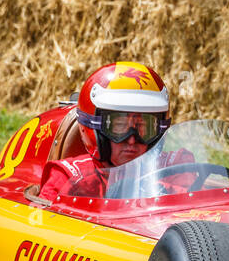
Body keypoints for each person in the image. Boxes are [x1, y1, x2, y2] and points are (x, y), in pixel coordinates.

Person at [39, 61, 170, 202]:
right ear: (96, 131)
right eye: (119, 126)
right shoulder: (68, 180)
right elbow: (41, 221)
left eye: (143, 127)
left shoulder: (173, 170)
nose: (132, 140)